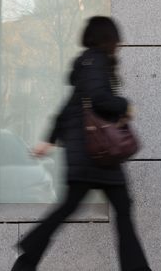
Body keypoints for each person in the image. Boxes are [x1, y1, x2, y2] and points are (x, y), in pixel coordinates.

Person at [12, 16, 152, 271]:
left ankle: (27, 259)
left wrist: (49, 140)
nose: (119, 44)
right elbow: (100, 99)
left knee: (72, 208)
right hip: (97, 155)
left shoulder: (86, 65)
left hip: (87, 157)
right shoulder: (96, 62)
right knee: (121, 210)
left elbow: (67, 109)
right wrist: (125, 106)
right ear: (107, 38)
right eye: (116, 38)